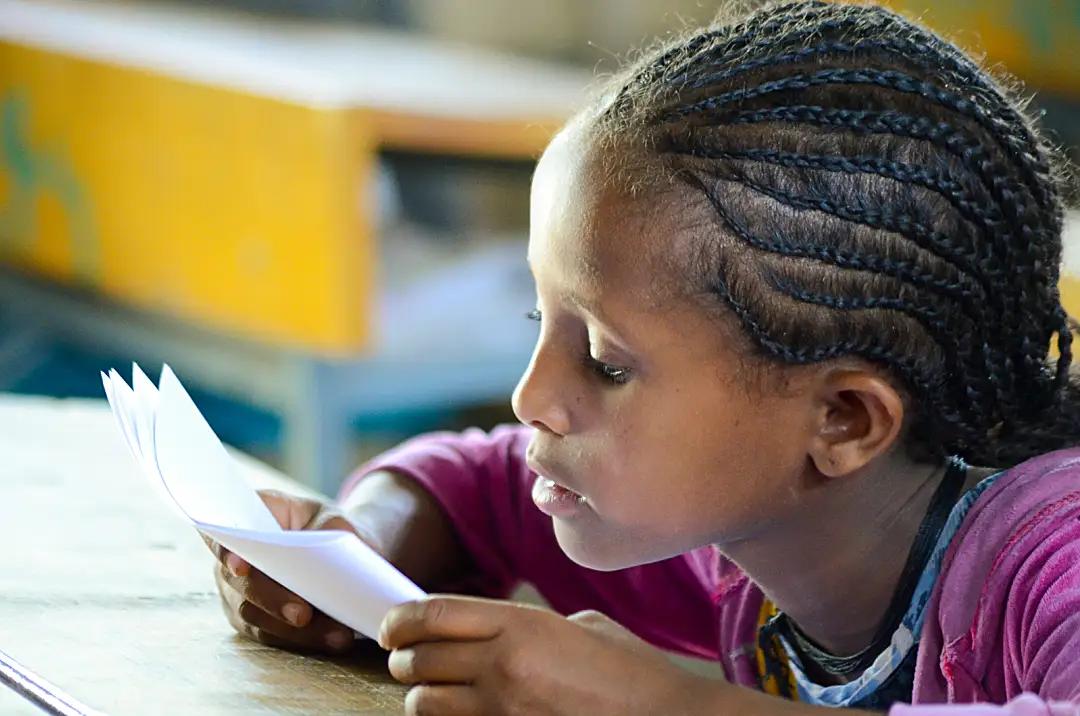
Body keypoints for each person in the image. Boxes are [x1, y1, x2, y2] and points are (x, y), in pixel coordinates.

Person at [209, 1, 1080, 714]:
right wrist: (356, 558)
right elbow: (471, 489)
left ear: (842, 420)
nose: (530, 398)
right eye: (537, 319)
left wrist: (658, 705)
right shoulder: (748, 526)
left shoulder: (1053, 559)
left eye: (604, 362)